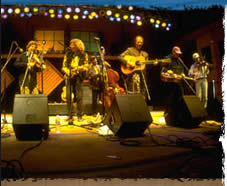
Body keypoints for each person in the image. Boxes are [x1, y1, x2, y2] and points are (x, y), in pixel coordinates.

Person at [62, 39, 89, 122]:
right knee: (68, 96)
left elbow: (86, 66)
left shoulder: (84, 55)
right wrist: (67, 72)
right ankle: (70, 115)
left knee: (79, 96)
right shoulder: (68, 54)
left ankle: (80, 115)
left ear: (77, 46)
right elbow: (63, 66)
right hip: (69, 76)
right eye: (70, 45)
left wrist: (79, 69)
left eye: (73, 45)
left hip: (78, 77)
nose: (71, 46)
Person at [160, 46, 186, 126]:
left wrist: (182, 74)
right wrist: (169, 72)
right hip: (170, 83)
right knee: (170, 100)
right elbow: (163, 71)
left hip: (178, 83)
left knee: (179, 99)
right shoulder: (167, 59)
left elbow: (181, 69)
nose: (178, 55)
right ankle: (168, 117)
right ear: (173, 52)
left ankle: (177, 118)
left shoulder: (179, 60)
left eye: (179, 54)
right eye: (177, 54)